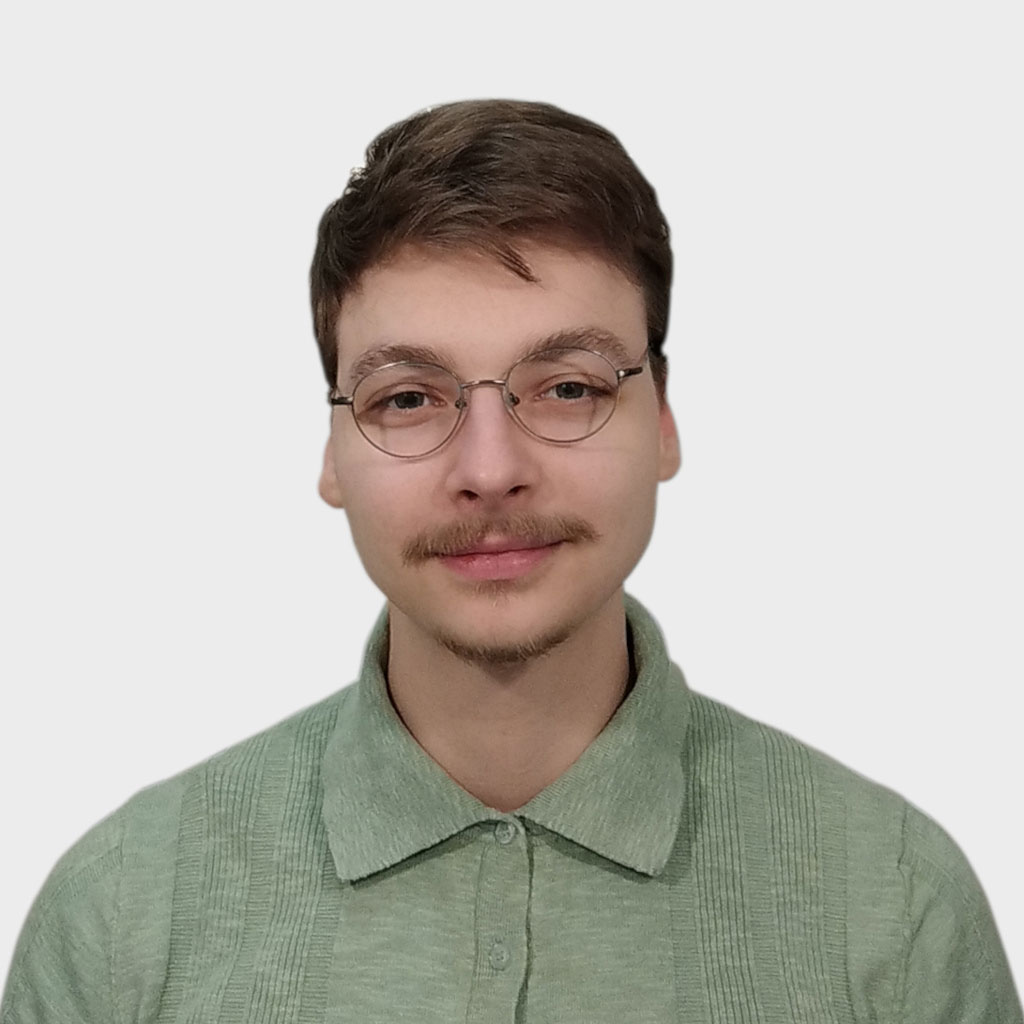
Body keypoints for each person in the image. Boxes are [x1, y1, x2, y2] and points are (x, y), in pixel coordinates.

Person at [2, 100, 1019, 1024]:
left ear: (664, 421)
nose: (490, 472)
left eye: (568, 387)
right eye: (408, 397)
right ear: (332, 454)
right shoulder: (121, 915)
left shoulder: (894, 908)